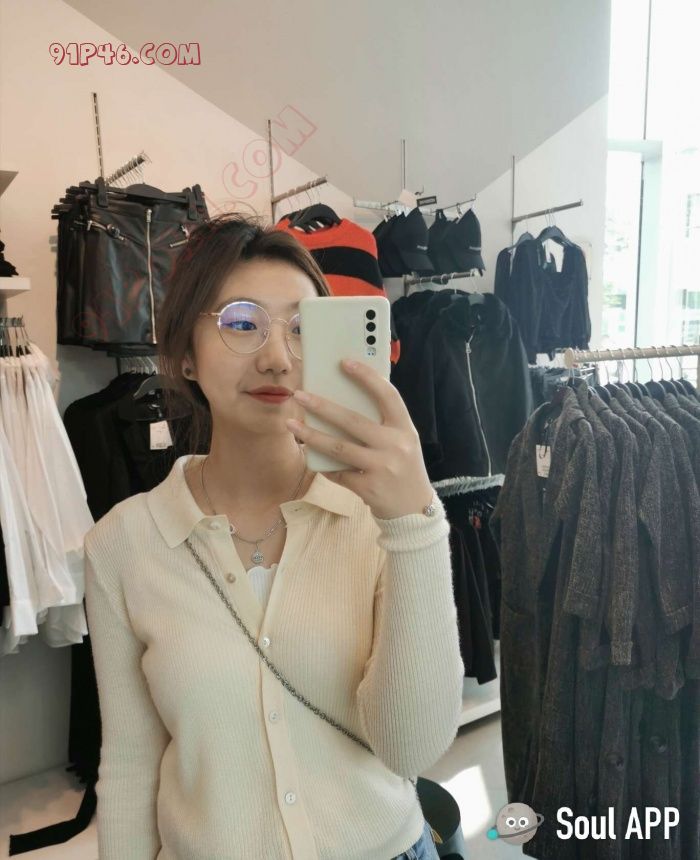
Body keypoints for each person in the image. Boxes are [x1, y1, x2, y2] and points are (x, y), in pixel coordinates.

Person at [83, 213, 464, 859]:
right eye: (241, 322)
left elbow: (412, 751)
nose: (277, 357)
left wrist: (415, 526)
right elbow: (129, 763)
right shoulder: (123, 544)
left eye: (302, 328)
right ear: (184, 352)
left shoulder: (380, 517)